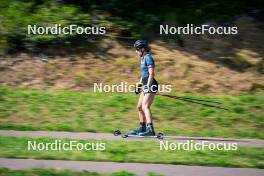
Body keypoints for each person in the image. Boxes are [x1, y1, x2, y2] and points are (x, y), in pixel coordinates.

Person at [128, 40, 159, 136]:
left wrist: (147, 86)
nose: (136, 51)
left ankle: (151, 130)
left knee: (145, 106)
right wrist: (139, 85)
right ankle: (142, 128)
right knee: (139, 107)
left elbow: (151, 74)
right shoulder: (143, 59)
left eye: (137, 49)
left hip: (151, 84)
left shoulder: (148, 58)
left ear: (143, 49)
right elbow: (144, 75)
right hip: (146, 84)